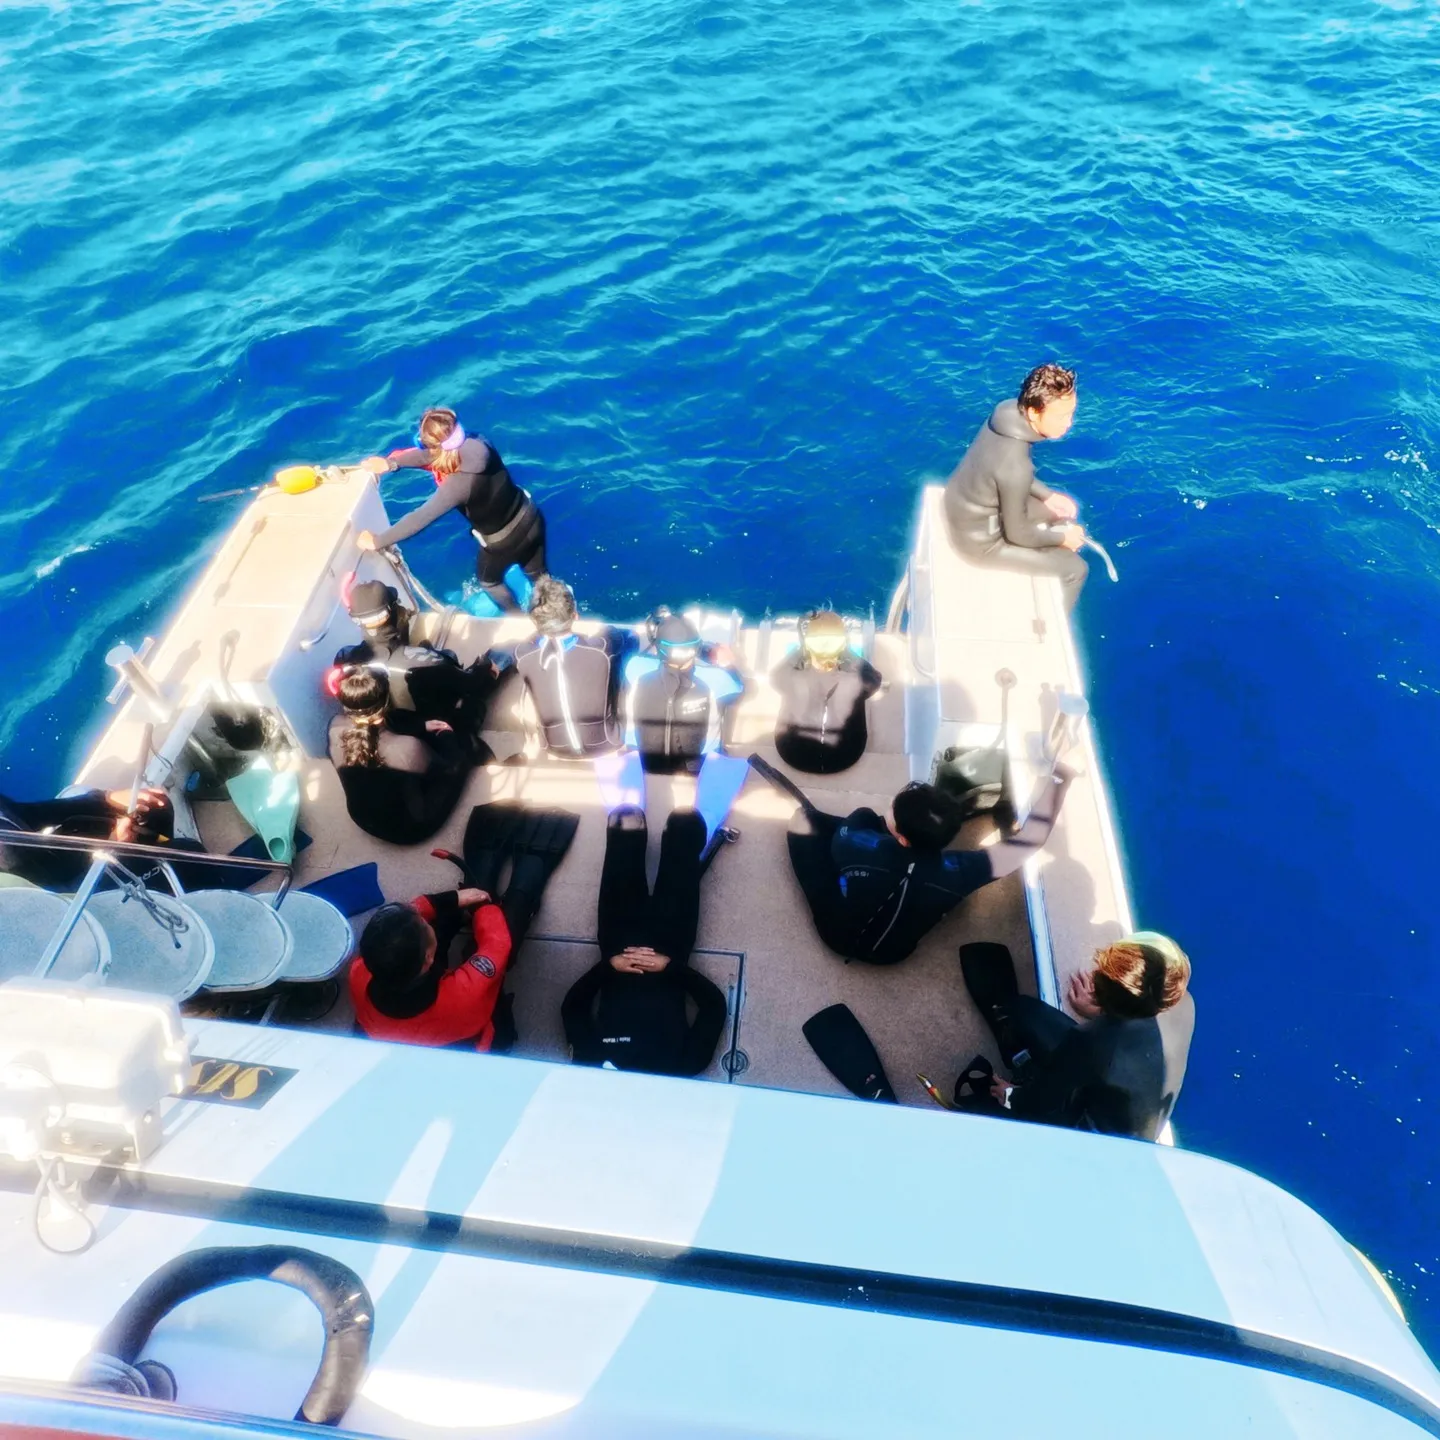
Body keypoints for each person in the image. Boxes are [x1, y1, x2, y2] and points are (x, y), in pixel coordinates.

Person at [757, 758, 1070, 966]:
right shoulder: (960, 869)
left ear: (901, 836)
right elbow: (1031, 840)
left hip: (836, 934)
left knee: (804, 821)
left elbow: (849, 828)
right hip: (895, 953)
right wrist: (1060, 777)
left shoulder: (855, 841)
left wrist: (865, 821)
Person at [960, 933, 1195, 1142]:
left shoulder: (1093, 1041)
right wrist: (1107, 1011)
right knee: (1026, 1013)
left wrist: (1012, 1097)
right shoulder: (1185, 1003)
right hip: (1124, 1106)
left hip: (1091, 1136)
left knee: (976, 1116)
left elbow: (1044, 1099)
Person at [561, 806, 729, 1076]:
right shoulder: (684, 1068)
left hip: (618, 943)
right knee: (684, 825)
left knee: (626, 823)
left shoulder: (592, 1064)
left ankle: (631, 840)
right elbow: (714, 1007)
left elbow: (573, 1008)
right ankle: (678, 839)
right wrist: (670, 966)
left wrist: (609, 966)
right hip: (672, 942)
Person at [354, 407, 547, 613]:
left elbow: (419, 518)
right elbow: (430, 456)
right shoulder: (480, 442)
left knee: (489, 582)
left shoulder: (458, 486)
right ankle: (553, 605)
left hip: (501, 541)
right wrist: (392, 463)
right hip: (531, 517)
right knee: (539, 574)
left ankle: (518, 619)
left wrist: (376, 541)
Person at [943, 363, 1090, 609]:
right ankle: (1048, 642)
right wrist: (1062, 538)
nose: (1069, 423)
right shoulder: (1017, 466)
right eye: (1062, 416)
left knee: (1060, 513)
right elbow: (1018, 534)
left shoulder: (1005, 412)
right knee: (1076, 569)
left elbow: (1002, 471)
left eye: (1071, 413)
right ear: (1034, 413)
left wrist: (1048, 496)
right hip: (978, 544)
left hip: (960, 508)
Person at [332, 579, 499, 757]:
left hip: (395, 726)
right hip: (434, 731)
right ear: (393, 611)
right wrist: (485, 668)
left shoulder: (344, 659)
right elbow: (470, 683)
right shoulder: (424, 661)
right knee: (481, 672)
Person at [349, 888, 512, 1050]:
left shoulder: (359, 973)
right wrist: (484, 908)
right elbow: (497, 946)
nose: (423, 920)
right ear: (428, 958)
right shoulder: (464, 995)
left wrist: (448, 900)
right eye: (424, 924)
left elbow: (399, 926)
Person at [327, 668, 470, 844]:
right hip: (409, 830)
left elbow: (375, 732)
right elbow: (449, 769)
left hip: (361, 818)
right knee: (462, 756)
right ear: (386, 700)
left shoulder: (334, 728)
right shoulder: (407, 749)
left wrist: (421, 726)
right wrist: (446, 735)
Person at [509, 577, 637, 758]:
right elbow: (629, 638)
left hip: (554, 747)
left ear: (536, 622)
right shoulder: (602, 646)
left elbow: (528, 644)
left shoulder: (522, 654)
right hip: (606, 742)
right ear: (575, 615)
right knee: (624, 662)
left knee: (529, 684)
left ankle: (532, 743)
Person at [0, 787, 203, 890]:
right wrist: (113, 850)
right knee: (189, 854)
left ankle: (162, 875)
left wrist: (106, 799)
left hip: (59, 859)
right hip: (77, 896)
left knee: (156, 808)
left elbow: (30, 814)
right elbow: (56, 903)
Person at [624, 614, 744, 774]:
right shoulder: (719, 679)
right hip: (697, 767)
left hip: (644, 762)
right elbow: (741, 689)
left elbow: (649, 654)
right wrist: (727, 663)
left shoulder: (635, 668)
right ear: (696, 647)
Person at [770, 610, 882, 774]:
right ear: (843, 644)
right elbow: (875, 682)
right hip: (844, 757)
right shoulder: (861, 679)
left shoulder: (787, 675)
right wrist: (846, 650)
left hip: (792, 753)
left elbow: (775, 680)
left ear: (807, 644)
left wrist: (803, 649)